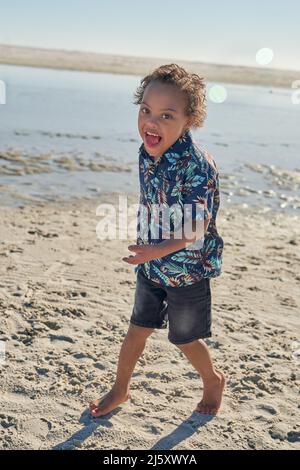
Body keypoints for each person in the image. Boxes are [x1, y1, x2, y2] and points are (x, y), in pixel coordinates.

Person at [89, 63, 225, 418]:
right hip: (151, 264)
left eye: (167, 115)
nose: (152, 122)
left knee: (183, 338)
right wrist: (150, 249)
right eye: (146, 110)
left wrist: (156, 249)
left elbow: (196, 228)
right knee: (137, 330)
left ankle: (212, 380)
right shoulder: (147, 152)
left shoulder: (197, 166)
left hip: (187, 270)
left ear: (189, 120)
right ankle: (120, 390)